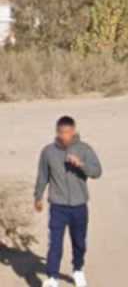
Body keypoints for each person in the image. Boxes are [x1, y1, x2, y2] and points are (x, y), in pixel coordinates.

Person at [34, 116, 102, 287]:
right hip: (57, 206)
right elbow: (43, 175)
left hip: (79, 206)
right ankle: (52, 277)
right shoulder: (48, 152)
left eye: (67, 132)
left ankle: (78, 269)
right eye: (61, 132)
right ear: (57, 132)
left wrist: (81, 165)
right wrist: (38, 196)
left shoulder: (84, 149)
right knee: (55, 243)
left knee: (79, 242)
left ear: (73, 132)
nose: (64, 135)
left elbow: (97, 172)